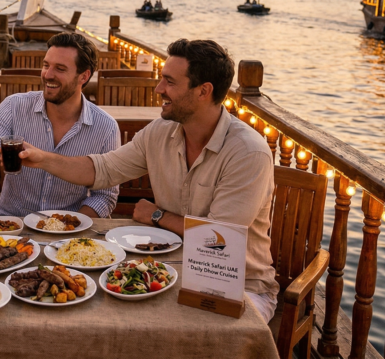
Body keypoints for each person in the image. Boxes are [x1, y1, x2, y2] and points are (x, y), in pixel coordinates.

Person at [18, 39, 279, 321]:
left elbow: (217, 240)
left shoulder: (247, 152)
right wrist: (42, 158)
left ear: (204, 91)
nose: (158, 89)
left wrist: (157, 215)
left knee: (197, 335)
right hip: (166, 269)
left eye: (169, 82)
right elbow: (103, 170)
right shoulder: (160, 132)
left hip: (239, 286)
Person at [0, 32, 120, 219]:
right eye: (46, 65)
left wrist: (67, 225)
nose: (48, 75)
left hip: (68, 233)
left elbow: (104, 196)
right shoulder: (14, 106)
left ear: (83, 76)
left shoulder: (106, 127)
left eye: (60, 69)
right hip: (11, 225)